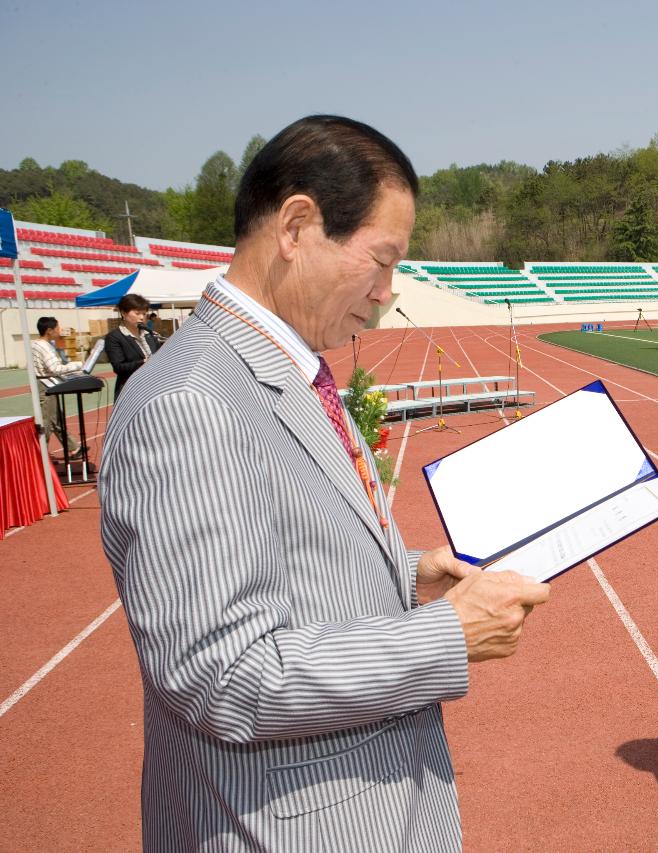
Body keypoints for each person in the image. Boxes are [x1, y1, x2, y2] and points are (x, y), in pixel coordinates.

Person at [99, 116, 550, 852]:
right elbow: (223, 672)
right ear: (298, 226)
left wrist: (406, 578)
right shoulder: (193, 404)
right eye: (380, 261)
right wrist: (445, 633)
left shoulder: (290, 369)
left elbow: (282, 562)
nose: (386, 293)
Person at [31, 316, 84, 458]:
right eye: (57, 328)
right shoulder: (44, 346)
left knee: (56, 420)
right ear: (49, 330)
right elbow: (54, 368)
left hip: (47, 384)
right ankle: (38, 455)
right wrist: (78, 365)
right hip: (46, 385)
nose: (59, 330)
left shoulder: (37, 343)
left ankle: (73, 448)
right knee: (47, 422)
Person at [104, 292, 164, 400]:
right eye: (137, 313)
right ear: (123, 313)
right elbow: (119, 367)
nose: (141, 317)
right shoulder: (114, 337)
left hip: (154, 389)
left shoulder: (149, 334)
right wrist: (143, 362)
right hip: (131, 392)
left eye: (144, 313)